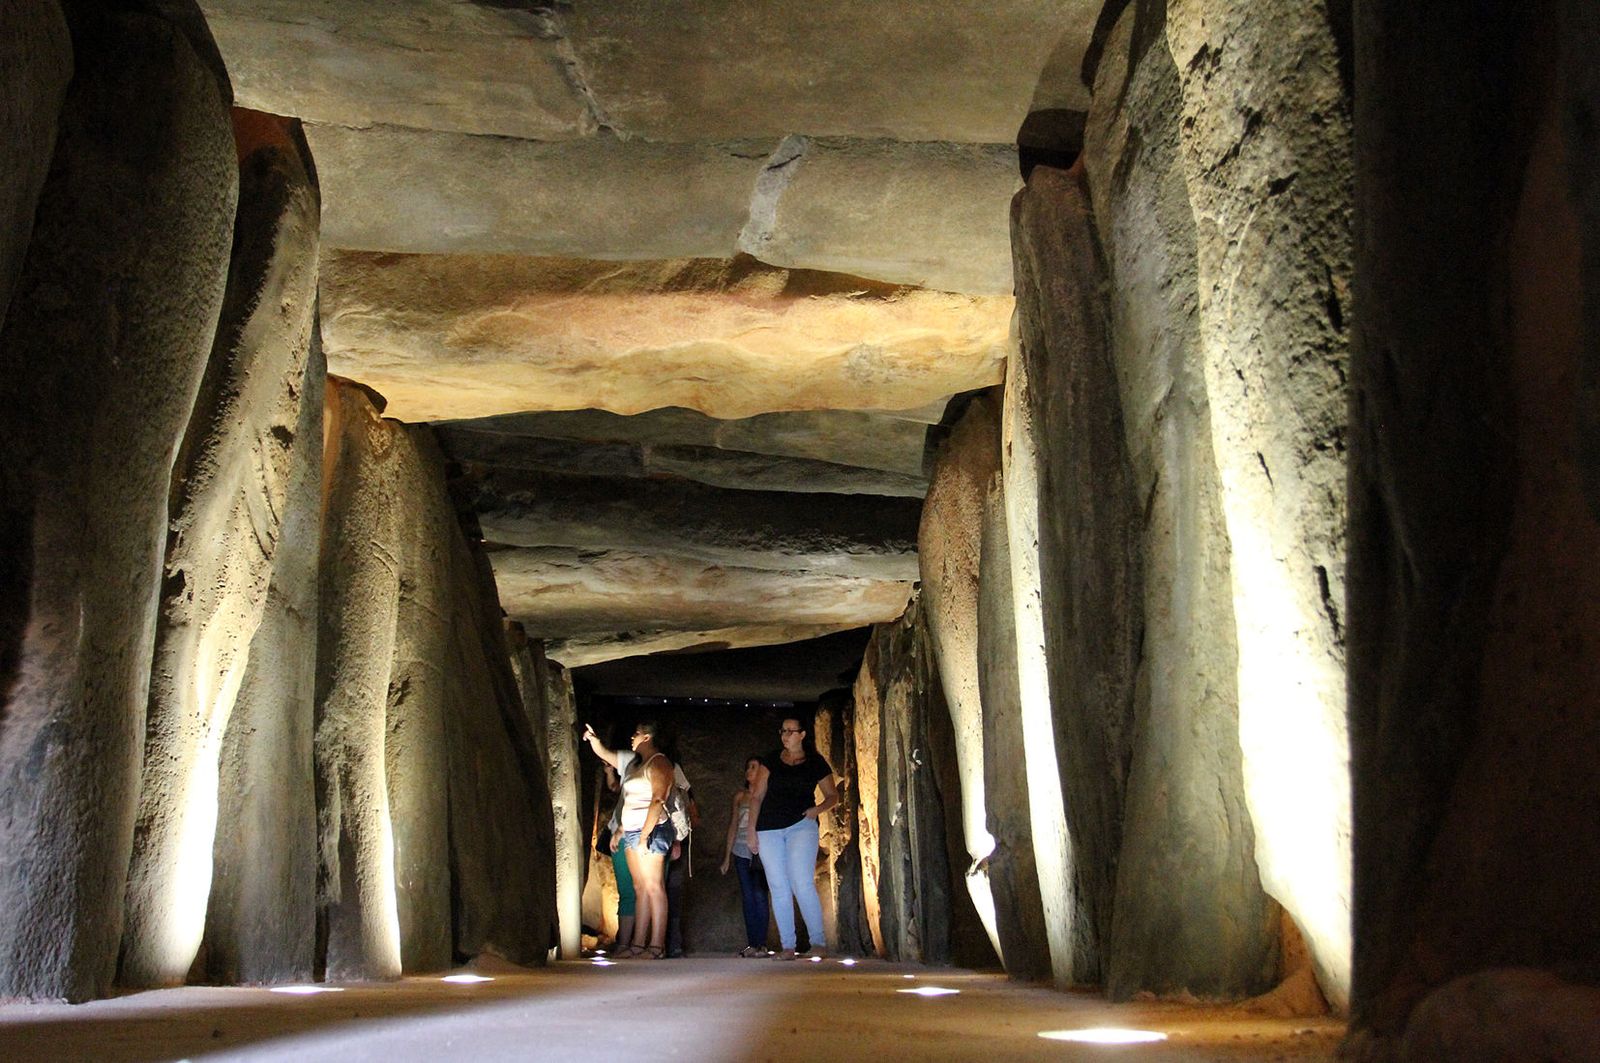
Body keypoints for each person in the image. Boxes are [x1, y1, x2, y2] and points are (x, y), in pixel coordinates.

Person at [747, 718, 838, 960]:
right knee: (778, 885)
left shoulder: (815, 762)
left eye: (791, 731)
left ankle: (818, 941)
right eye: (783, 731)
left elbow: (832, 795)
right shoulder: (771, 760)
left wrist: (816, 810)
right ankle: (788, 946)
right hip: (769, 828)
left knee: (802, 882)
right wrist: (751, 829)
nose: (785, 735)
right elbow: (756, 796)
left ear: (802, 734)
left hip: (801, 824)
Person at [584, 720, 675, 959]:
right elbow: (630, 802)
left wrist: (645, 835)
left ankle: (656, 945)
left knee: (654, 887)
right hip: (632, 830)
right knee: (640, 888)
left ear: (647, 737)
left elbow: (657, 800)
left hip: (652, 830)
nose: (631, 737)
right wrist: (623, 829)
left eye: (636, 734)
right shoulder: (636, 764)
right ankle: (637, 944)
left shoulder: (660, 763)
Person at [720, 755, 770, 957]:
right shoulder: (740, 797)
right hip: (740, 849)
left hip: (760, 848)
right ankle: (752, 943)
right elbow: (733, 824)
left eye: (754, 767)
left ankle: (762, 943)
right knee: (748, 896)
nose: (749, 771)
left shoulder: (766, 795)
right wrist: (726, 856)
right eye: (747, 767)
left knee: (760, 894)